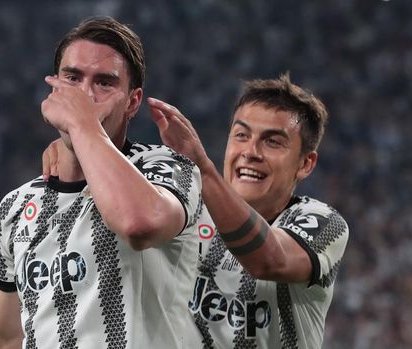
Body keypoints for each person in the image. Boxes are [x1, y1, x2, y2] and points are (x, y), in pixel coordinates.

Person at [0, 17, 206, 348]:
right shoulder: (16, 206)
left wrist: (81, 122)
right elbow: (4, 338)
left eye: (104, 83)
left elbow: (137, 223)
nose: (84, 94)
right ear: (54, 88)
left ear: (132, 102)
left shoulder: (167, 169)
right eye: (72, 78)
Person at [146, 74, 349, 348]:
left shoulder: (323, 223)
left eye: (273, 142)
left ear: (305, 164)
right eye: (241, 135)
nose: (250, 151)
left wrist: (202, 169)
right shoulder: (186, 209)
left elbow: (267, 261)